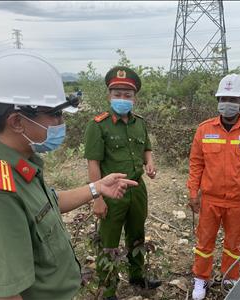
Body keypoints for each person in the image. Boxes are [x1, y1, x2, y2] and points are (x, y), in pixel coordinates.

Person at [0, 50, 138, 300]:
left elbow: (46, 204)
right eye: (55, 114)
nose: (61, 122)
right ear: (17, 121)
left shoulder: (19, 165)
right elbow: (5, 295)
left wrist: (97, 188)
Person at [187, 74, 240, 300]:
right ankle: (200, 280)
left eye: (233, 99)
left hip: (238, 202)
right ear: (217, 99)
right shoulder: (204, 130)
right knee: (204, 242)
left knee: (234, 244)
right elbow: (196, 163)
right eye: (223, 98)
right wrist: (193, 192)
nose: (227, 103)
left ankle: (229, 279)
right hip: (210, 200)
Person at [84, 66, 161, 300]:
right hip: (111, 191)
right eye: (117, 94)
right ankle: (108, 289)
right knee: (109, 240)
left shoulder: (139, 123)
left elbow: (146, 148)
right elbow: (93, 164)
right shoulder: (98, 125)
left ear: (134, 98)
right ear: (109, 96)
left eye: (127, 95)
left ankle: (138, 277)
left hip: (137, 189)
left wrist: (150, 163)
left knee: (137, 233)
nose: (122, 99)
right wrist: (97, 198)